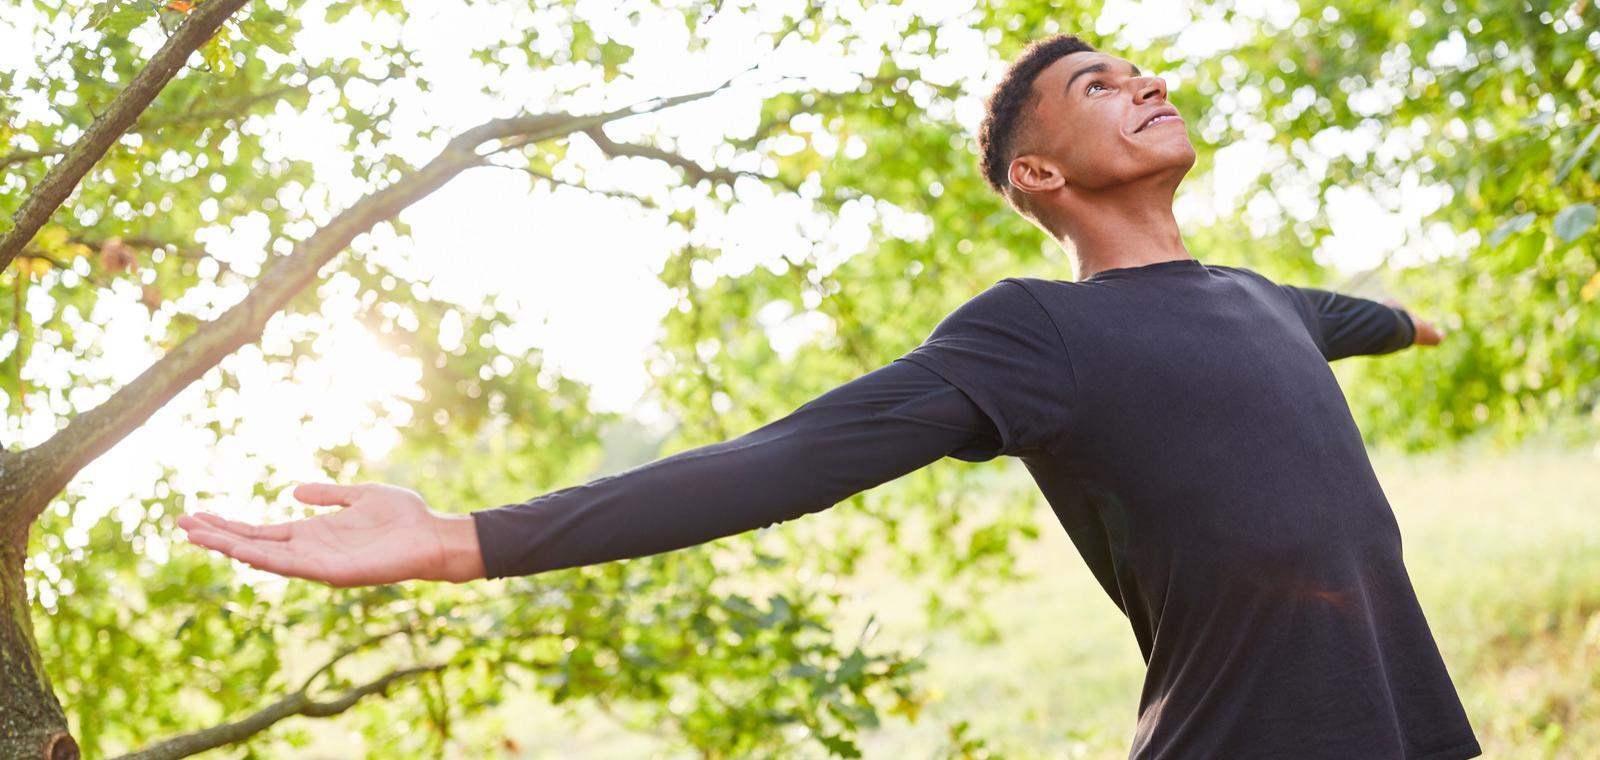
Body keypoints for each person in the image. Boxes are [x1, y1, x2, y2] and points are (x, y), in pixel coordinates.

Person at [178, 33, 1481, 760]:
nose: (1144, 81)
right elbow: (788, 457)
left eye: (1139, 69)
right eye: (1098, 85)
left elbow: (1348, 324)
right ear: (1038, 176)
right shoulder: (1035, 336)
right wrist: (462, 542)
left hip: (1422, 734)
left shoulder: (1267, 301)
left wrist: (1420, 322)